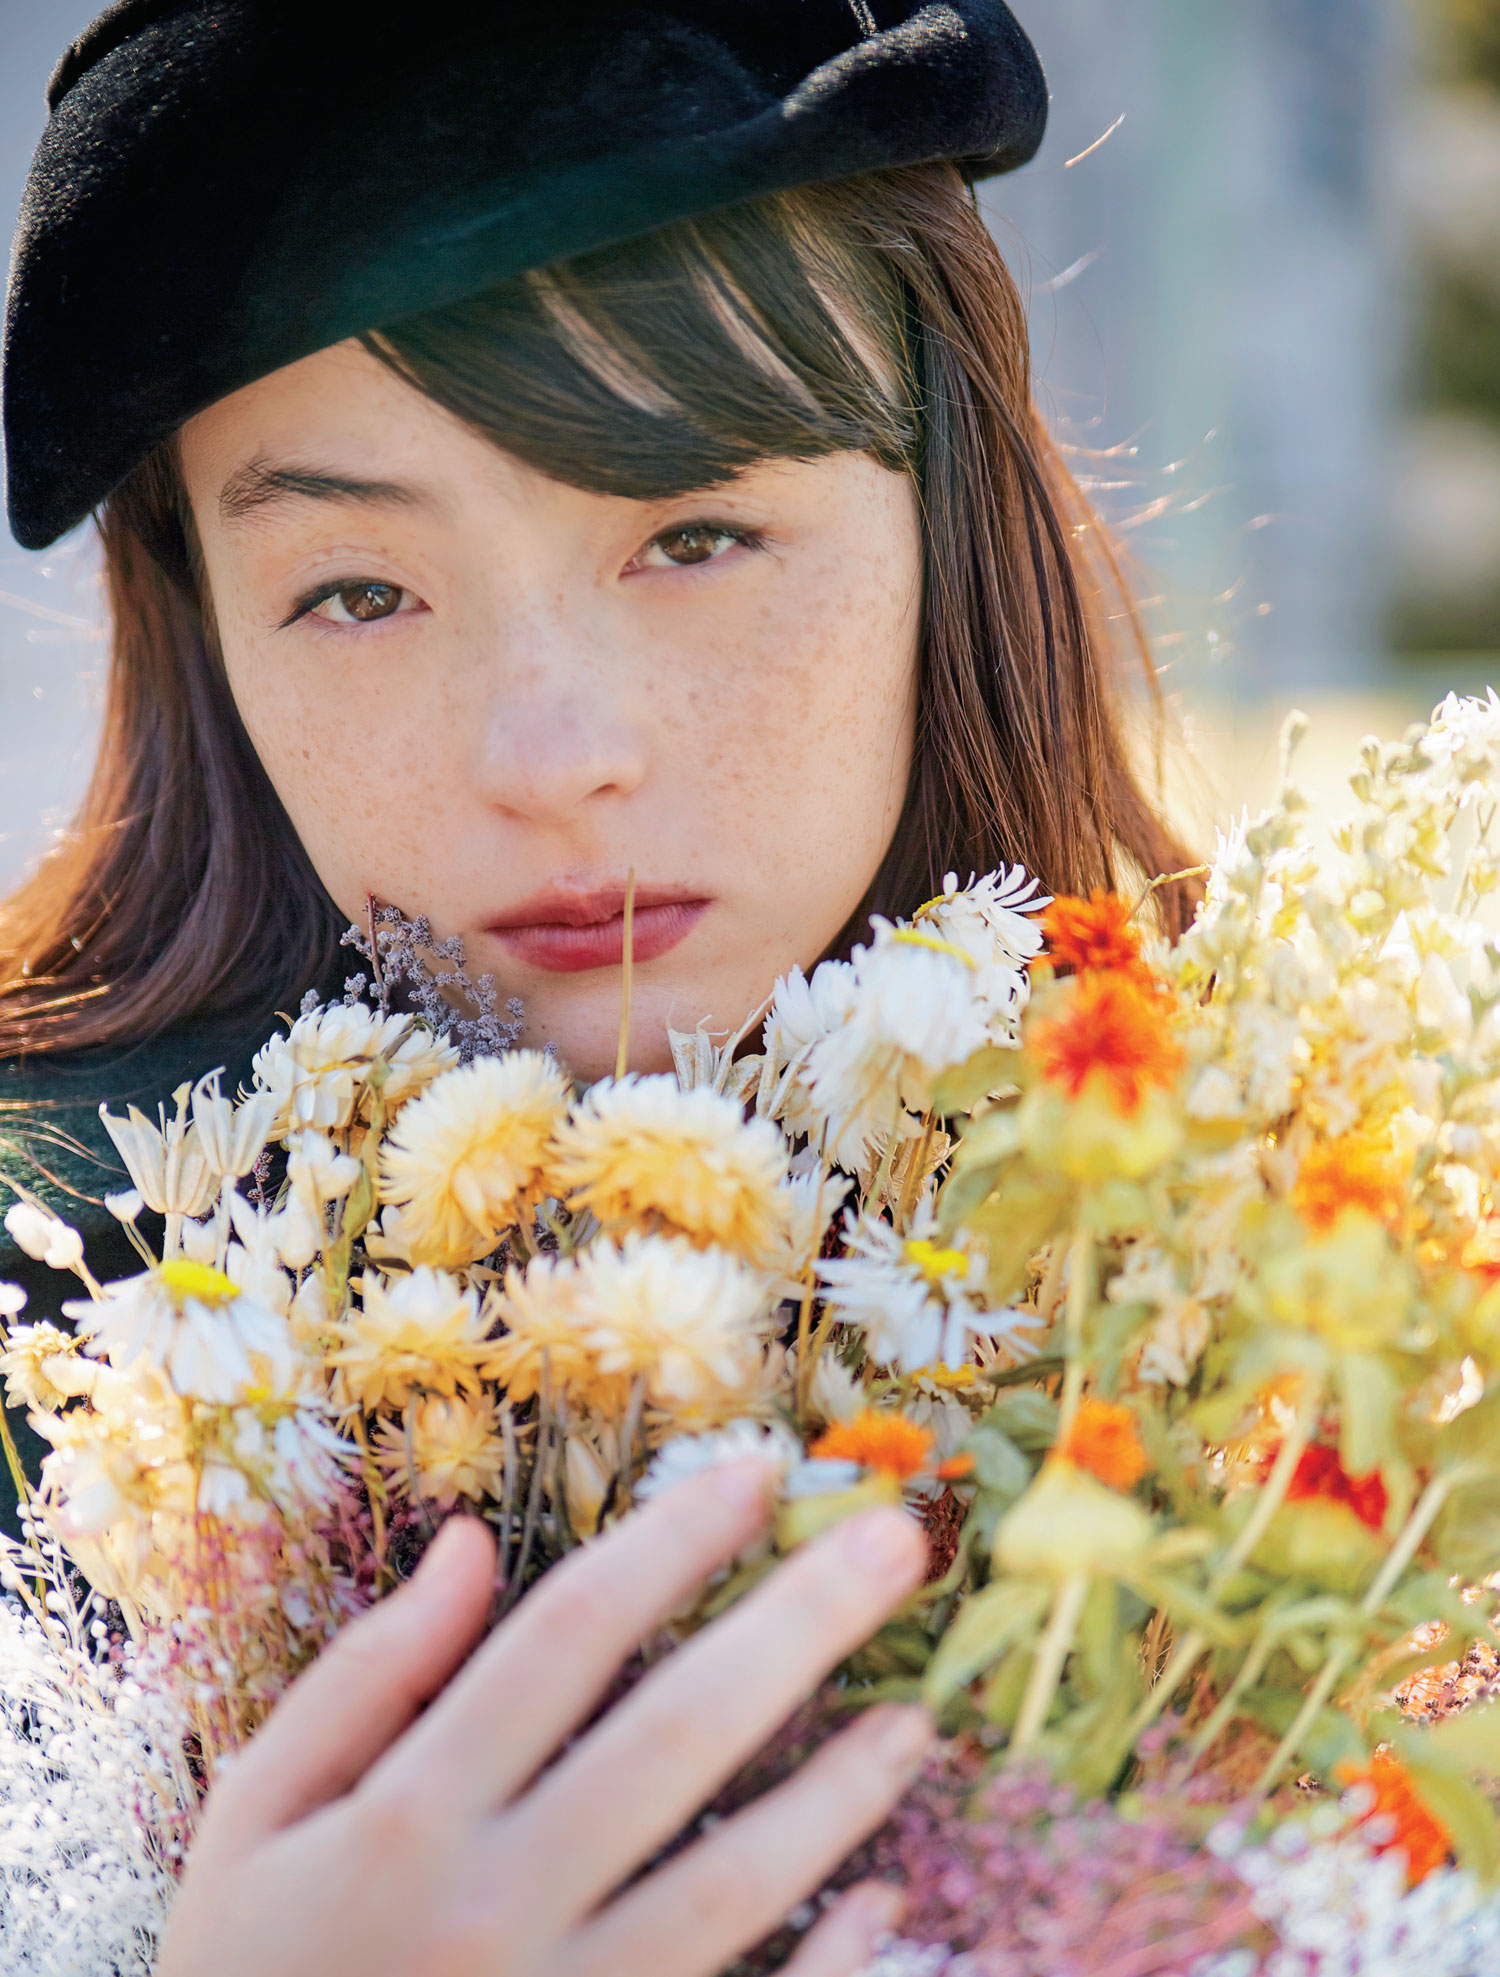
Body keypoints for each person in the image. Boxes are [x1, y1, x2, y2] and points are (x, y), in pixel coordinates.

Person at [0, 4, 1195, 1970]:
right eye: (361, 590)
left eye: (698, 532)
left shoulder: (1342, 1282)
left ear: (951, 525)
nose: (548, 750)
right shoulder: (50, 1354)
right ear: (204, 627)